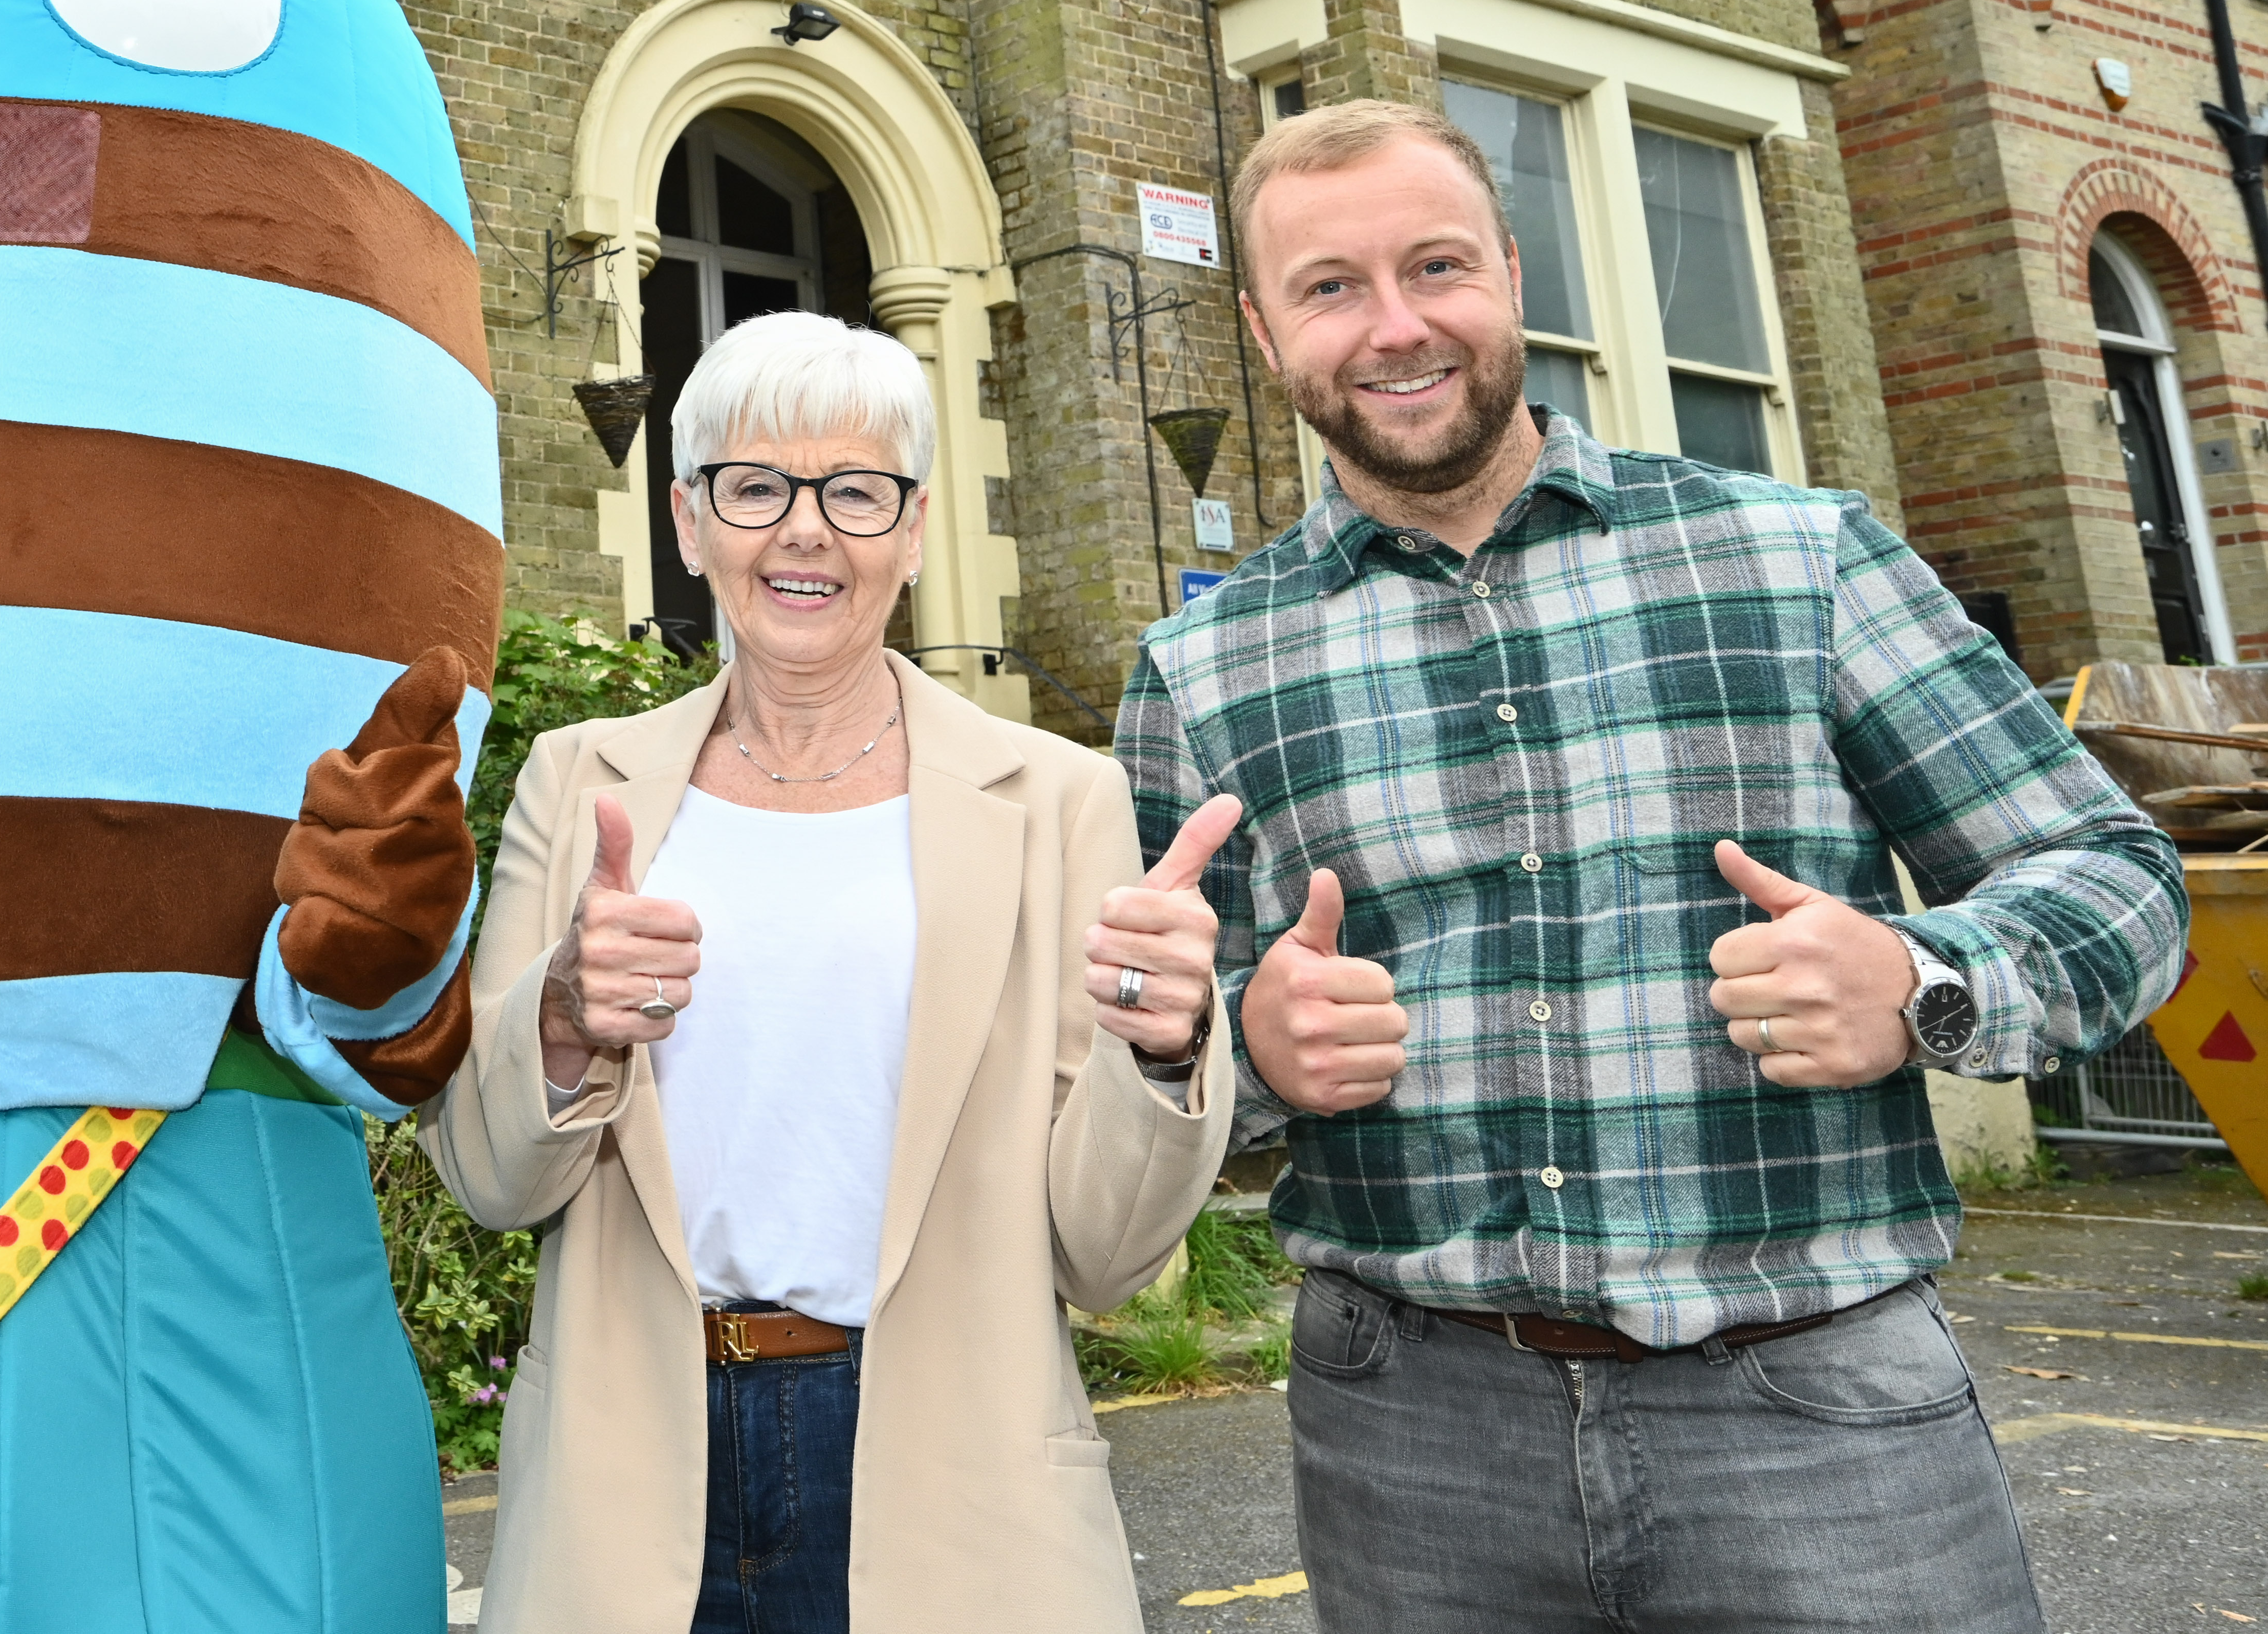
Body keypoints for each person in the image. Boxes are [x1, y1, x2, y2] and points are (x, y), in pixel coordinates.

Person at [1119, 97, 2188, 1634]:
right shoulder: (1201, 667)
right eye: (1331, 287)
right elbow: (1149, 1050)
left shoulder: (1802, 556)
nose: (1395, 325)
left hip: (1814, 1404)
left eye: (1438, 266)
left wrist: (1916, 979)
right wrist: (1241, 1047)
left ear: (1515, 275)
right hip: (1411, 1431)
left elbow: (2118, 871)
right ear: (1263, 328)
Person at [428, 309, 1239, 1634]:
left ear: (913, 531)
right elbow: (486, 1174)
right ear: (690, 521)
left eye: (856, 490)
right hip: (633, 1476)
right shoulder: (581, 781)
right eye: (756, 486)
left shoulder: (1056, 798)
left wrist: (1163, 1045)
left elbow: (1106, 1255)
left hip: (952, 1474)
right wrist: (566, 1015)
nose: (806, 529)